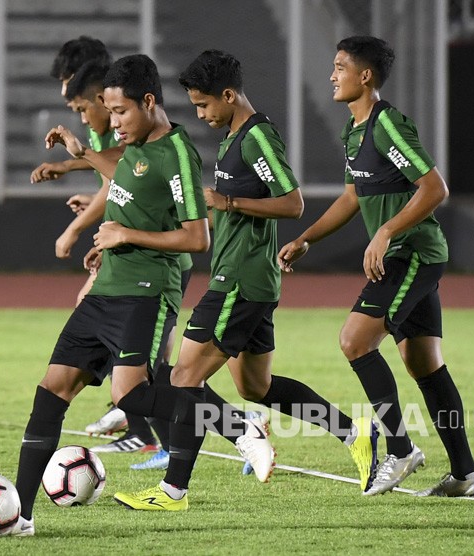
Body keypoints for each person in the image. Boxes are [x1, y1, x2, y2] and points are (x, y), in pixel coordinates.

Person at [9, 54, 274, 537]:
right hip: (106, 288)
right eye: (108, 112)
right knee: (51, 391)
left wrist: (126, 236)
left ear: (149, 102)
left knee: (129, 394)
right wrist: (79, 155)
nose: (113, 123)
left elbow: (197, 238)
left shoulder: (177, 154)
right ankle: (20, 518)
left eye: (120, 112)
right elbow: (125, 172)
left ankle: (238, 427)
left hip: (147, 291)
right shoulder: (136, 147)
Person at [114, 50, 379, 511]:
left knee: (182, 377)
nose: (200, 114)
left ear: (229, 95)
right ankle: (355, 433)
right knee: (256, 388)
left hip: (239, 279)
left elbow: (293, 202)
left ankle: (174, 490)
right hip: (246, 279)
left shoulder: (257, 136)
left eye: (203, 105)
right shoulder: (233, 135)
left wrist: (227, 204)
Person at [278, 36, 474, 497]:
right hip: (408, 254)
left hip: (412, 254)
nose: (332, 75)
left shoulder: (387, 124)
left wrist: (387, 231)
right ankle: (467, 475)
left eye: (339, 67)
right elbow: (353, 197)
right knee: (424, 363)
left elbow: (434, 188)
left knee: (353, 340)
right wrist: (306, 238)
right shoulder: (354, 132)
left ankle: (400, 448)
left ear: (365, 76)